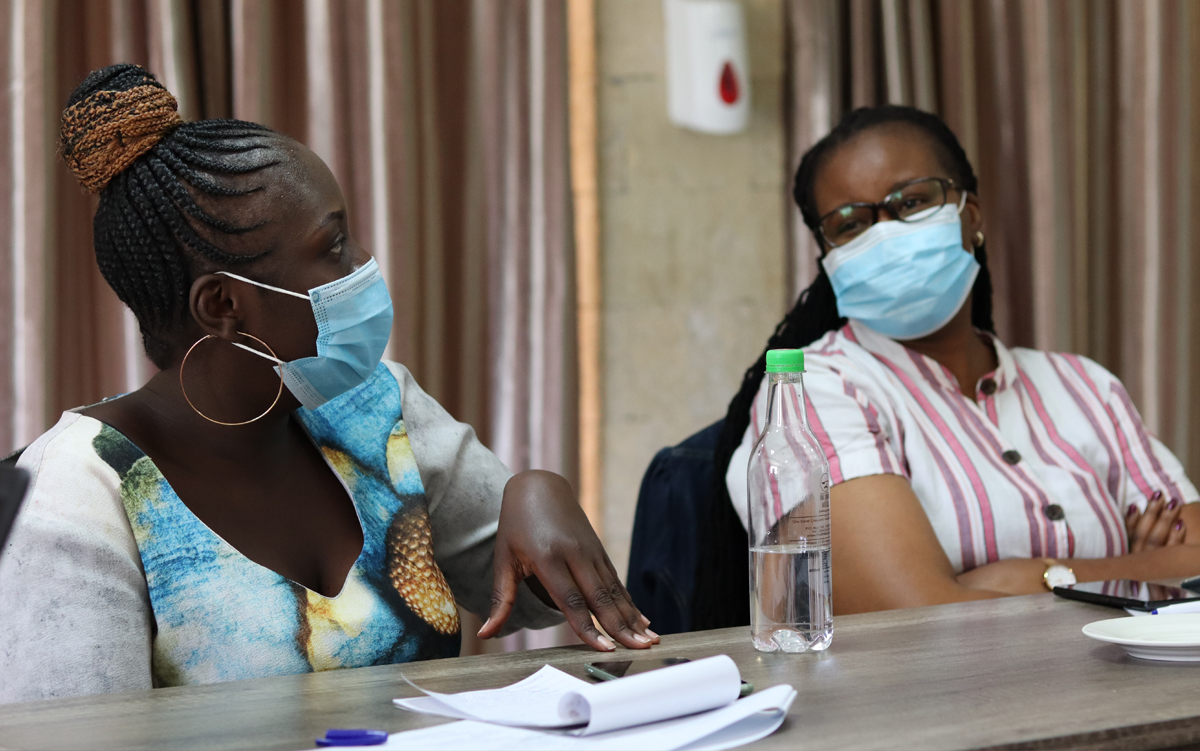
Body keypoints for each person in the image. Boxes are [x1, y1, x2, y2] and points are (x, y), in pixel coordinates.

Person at [0, 64, 656, 703]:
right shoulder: (79, 495)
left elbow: (522, 602)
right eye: (334, 246)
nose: (364, 266)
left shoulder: (375, 408)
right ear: (223, 305)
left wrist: (537, 491)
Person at [693, 105, 1200, 627]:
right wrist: (1137, 572)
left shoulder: (1085, 386)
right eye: (852, 224)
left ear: (971, 215)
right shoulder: (819, 392)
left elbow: (1198, 572)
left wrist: (1044, 574)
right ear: (827, 255)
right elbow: (915, 622)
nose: (886, 234)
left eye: (912, 201)